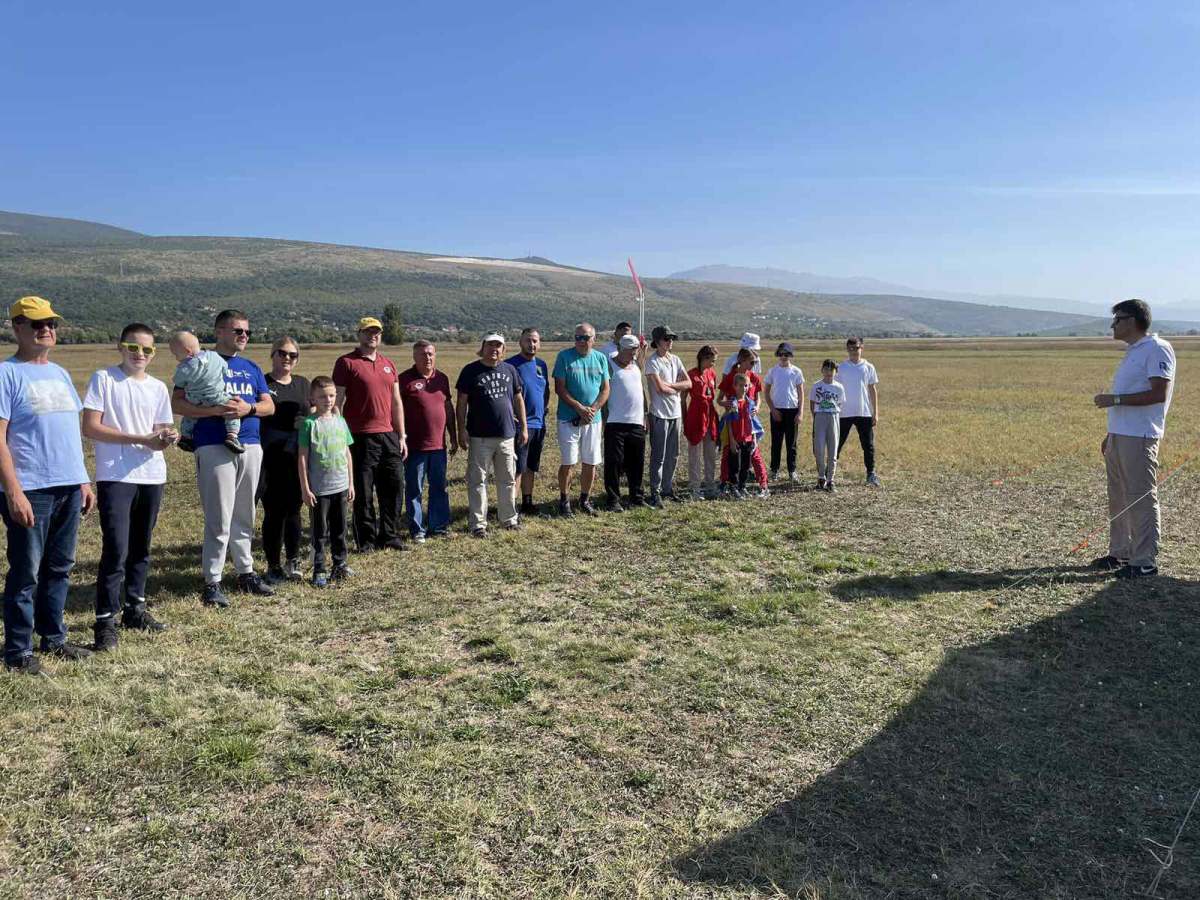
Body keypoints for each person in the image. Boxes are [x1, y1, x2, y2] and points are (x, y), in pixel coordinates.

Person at [0, 296, 96, 672]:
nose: (47, 330)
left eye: (51, 323)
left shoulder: (59, 373)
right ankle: (18, 651)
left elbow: (69, 432)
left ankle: (53, 638)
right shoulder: (6, 374)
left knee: (60, 567)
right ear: (17, 327)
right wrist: (14, 491)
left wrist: (82, 480)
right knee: (26, 572)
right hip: (32, 489)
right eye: (37, 324)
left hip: (68, 486)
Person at [82, 323, 177, 651]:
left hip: (151, 475)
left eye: (147, 349)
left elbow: (161, 430)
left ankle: (135, 609)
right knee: (116, 549)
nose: (140, 354)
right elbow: (91, 427)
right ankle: (105, 620)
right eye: (133, 347)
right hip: (116, 476)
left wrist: (167, 437)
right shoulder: (104, 379)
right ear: (120, 347)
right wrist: (140, 439)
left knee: (141, 547)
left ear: (153, 353)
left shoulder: (158, 387)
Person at [172, 308, 276, 607]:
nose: (244, 336)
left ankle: (245, 572)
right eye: (237, 330)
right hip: (213, 444)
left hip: (251, 444)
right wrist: (213, 411)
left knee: (245, 512)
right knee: (219, 516)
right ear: (219, 332)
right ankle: (213, 580)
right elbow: (177, 403)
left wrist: (249, 409)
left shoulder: (251, 367)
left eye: (247, 332)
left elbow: (269, 406)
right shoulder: (200, 361)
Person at [1091, 299, 1176, 579]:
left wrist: (1114, 399)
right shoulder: (1134, 351)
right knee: (1118, 497)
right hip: (1120, 436)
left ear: (1133, 321)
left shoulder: (1157, 348)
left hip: (1140, 436)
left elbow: (1158, 394)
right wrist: (1111, 434)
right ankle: (1121, 553)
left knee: (1140, 498)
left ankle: (1144, 561)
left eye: (1118, 319)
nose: (1113, 325)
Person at [333, 316, 408, 552]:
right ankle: (366, 540)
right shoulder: (346, 362)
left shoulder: (388, 364)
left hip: (388, 435)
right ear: (359, 334)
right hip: (360, 436)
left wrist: (402, 435)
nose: (372, 336)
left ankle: (390, 535)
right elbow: (337, 402)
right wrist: (340, 436)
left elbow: (396, 402)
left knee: (394, 487)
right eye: (367, 332)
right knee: (364, 492)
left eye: (376, 332)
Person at [456, 333, 527, 537]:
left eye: (498, 346)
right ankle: (478, 524)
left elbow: (518, 399)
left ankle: (509, 519)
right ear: (483, 347)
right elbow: (461, 403)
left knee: (507, 480)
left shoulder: (510, 370)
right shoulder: (470, 371)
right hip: (479, 437)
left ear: (503, 350)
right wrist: (461, 429)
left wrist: (523, 427)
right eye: (490, 345)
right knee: (478, 481)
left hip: (506, 435)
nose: (494, 349)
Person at [260, 336, 310, 583]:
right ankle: (273, 564)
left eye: (292, 355)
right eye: (282, 353)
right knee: (273, 512)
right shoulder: (263, 382)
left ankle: (293, 558)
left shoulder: (303, 384)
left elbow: (313, 413)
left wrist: (307, 421)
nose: (287, 358)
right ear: (273, 355)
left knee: (294, 509)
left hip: (296, 458)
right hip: (269, 457)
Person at [299, 376, 355, 587]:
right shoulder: (309, 424)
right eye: (322, 396)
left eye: (331, 396)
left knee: (340, 529)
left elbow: (347, 453)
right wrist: (305, 488)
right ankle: (319, 568)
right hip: (319, 489)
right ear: (312, 398)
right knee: (319, 532)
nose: (328, 400)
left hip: (341, 485)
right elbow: (302, 458)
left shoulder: (341, 421)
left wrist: (351, 483)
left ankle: (340, 564)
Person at [399, 340, 457, 543]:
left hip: (438, 445)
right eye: (423, 354)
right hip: (415, 447)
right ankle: (417, 529)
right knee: (414, 489)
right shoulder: (404, 380)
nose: (428, 358)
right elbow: (396, 410)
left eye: (431, 354)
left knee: (439, 487)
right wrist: (400, 437)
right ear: (414, 357)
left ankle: (438, 526)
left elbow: (448, 408)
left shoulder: (442, 378)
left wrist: (453, 435)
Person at [553, 322, 610, 517]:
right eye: (578, 337)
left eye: (585, 337)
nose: (581, 341)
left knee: (590, 462)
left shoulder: (600, 358)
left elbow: (605, 389)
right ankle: (564, 501)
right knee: (568, 461)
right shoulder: (564, 357)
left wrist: (593, 409)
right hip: (568, 418)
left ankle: (584, 499)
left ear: (594, 339)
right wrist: (578, 407)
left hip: (593, 420)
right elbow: (560, 388)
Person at [169, 331, 243, 454]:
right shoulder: (214, 356)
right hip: (217, 397)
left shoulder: (184, 368)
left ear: (187, 351)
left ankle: (186, 437)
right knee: (232, 411)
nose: (176, 358)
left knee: (190, 416)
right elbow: (225, 368)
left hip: (195, 400)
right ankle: (232, 435)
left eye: (176, 355)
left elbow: (179, 382)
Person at [644, 324, 690, 506]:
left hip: (676, 414)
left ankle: (667, 488)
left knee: (673, 454)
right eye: (666, 338)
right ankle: (655, 492)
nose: (670, 341)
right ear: (657, 341)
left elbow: (688, 383)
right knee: (659, 455)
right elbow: (659, 388)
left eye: (671, 338)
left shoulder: (675, 359)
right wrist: (675, 387)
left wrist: (670, 386)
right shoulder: (652, 361)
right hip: (659, 414)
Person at [603, 334, 648, 511]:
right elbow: (603, 391)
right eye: (630, 352)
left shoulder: (636, 366)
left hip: (636, 422)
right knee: (614, 463)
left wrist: (645, 414)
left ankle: (636, 497)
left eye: (635, 352)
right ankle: (613, 500)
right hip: (615, 422)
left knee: (637, 462)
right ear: (621, 349)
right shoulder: (609, 365)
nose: (633, 355)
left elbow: (641, 392)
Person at [507, 328, 550, 515]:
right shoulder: (510, 365)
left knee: (531, 466)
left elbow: (545, 391)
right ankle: (511, 508)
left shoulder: (541, 365)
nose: (531, 344)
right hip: (520, 426)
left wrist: (543, 409)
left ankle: (527, 502)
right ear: (520, 342)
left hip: (538, 424)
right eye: (528, 340)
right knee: (517, 468)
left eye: (535, 341)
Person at [718, 348, 769, 497]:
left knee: (753, 453)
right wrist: (727, 404)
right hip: (732, 421)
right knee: (728, 453)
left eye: (755, 362)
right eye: (751, 362)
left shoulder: (754, 377)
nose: (753, 365)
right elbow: (719, 399)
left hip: (749, 422)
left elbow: (758, 398)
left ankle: (763, 485)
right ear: (741, 360)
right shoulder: (731, 377)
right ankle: (725, 483)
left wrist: (757, 408)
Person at [836, 336, 881, 486]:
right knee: (837, 443)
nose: (853, 351)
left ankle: (871, 474)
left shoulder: (868, 367)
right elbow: (835, 389)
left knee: (868, 445)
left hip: (864, 412)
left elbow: (872, 389)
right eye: (850, 348)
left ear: (862, 348)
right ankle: (830, 473)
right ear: (847, 349)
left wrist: (875, 412)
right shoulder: (841, 367)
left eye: (856, 348)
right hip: (844, 412)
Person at [764, 342, 806, 482]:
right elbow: (766, 392)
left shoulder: (796, 371)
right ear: (778, 354)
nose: (783, 356)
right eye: (781, 354)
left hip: (792, 411)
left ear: (790, 355)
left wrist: (800, 412)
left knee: (791, 444)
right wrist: (773, 410)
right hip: (777, 411)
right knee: (776, 442)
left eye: (786, 354)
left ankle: (792, 471)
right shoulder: (772, 371)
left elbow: (801, 394)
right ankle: (774, 470)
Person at [682, 345, 720, 501]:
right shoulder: (691, 375)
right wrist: (685, 418)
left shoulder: (712, 374)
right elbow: (683, 399)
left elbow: (712, 394)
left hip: (710, 416)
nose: (713, 364)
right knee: (695, 455)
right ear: (704, 358)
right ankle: (695, 488)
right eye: (712, 360)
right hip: (695, 416)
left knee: (710, 453)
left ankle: (710, 486)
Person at [721, 373, 764, 498]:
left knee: (745, 465)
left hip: (748, 439)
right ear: (734, 386)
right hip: (736, 439)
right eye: (740, 385)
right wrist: (732, 440)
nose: (743, 388)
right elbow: (729, 423)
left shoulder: (750, 403)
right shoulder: (732, 403)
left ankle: (742, 486)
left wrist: (754, 439)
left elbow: (753, 422)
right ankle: (733, 487)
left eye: (745, 385)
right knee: (735, 465)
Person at [810, 359, 846, 492]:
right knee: (819, 448)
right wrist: (816, 416)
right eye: (826, 369)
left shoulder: (839, 387)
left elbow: (840, 403)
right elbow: (812, 403)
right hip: (820, 416)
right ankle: (821, 477)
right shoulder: (816, 386)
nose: (828, 372)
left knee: (833, 448)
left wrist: (832, 411)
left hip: (833, 416)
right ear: (822, 370)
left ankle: (831, 480)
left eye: (831, 369)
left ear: (836, 372)